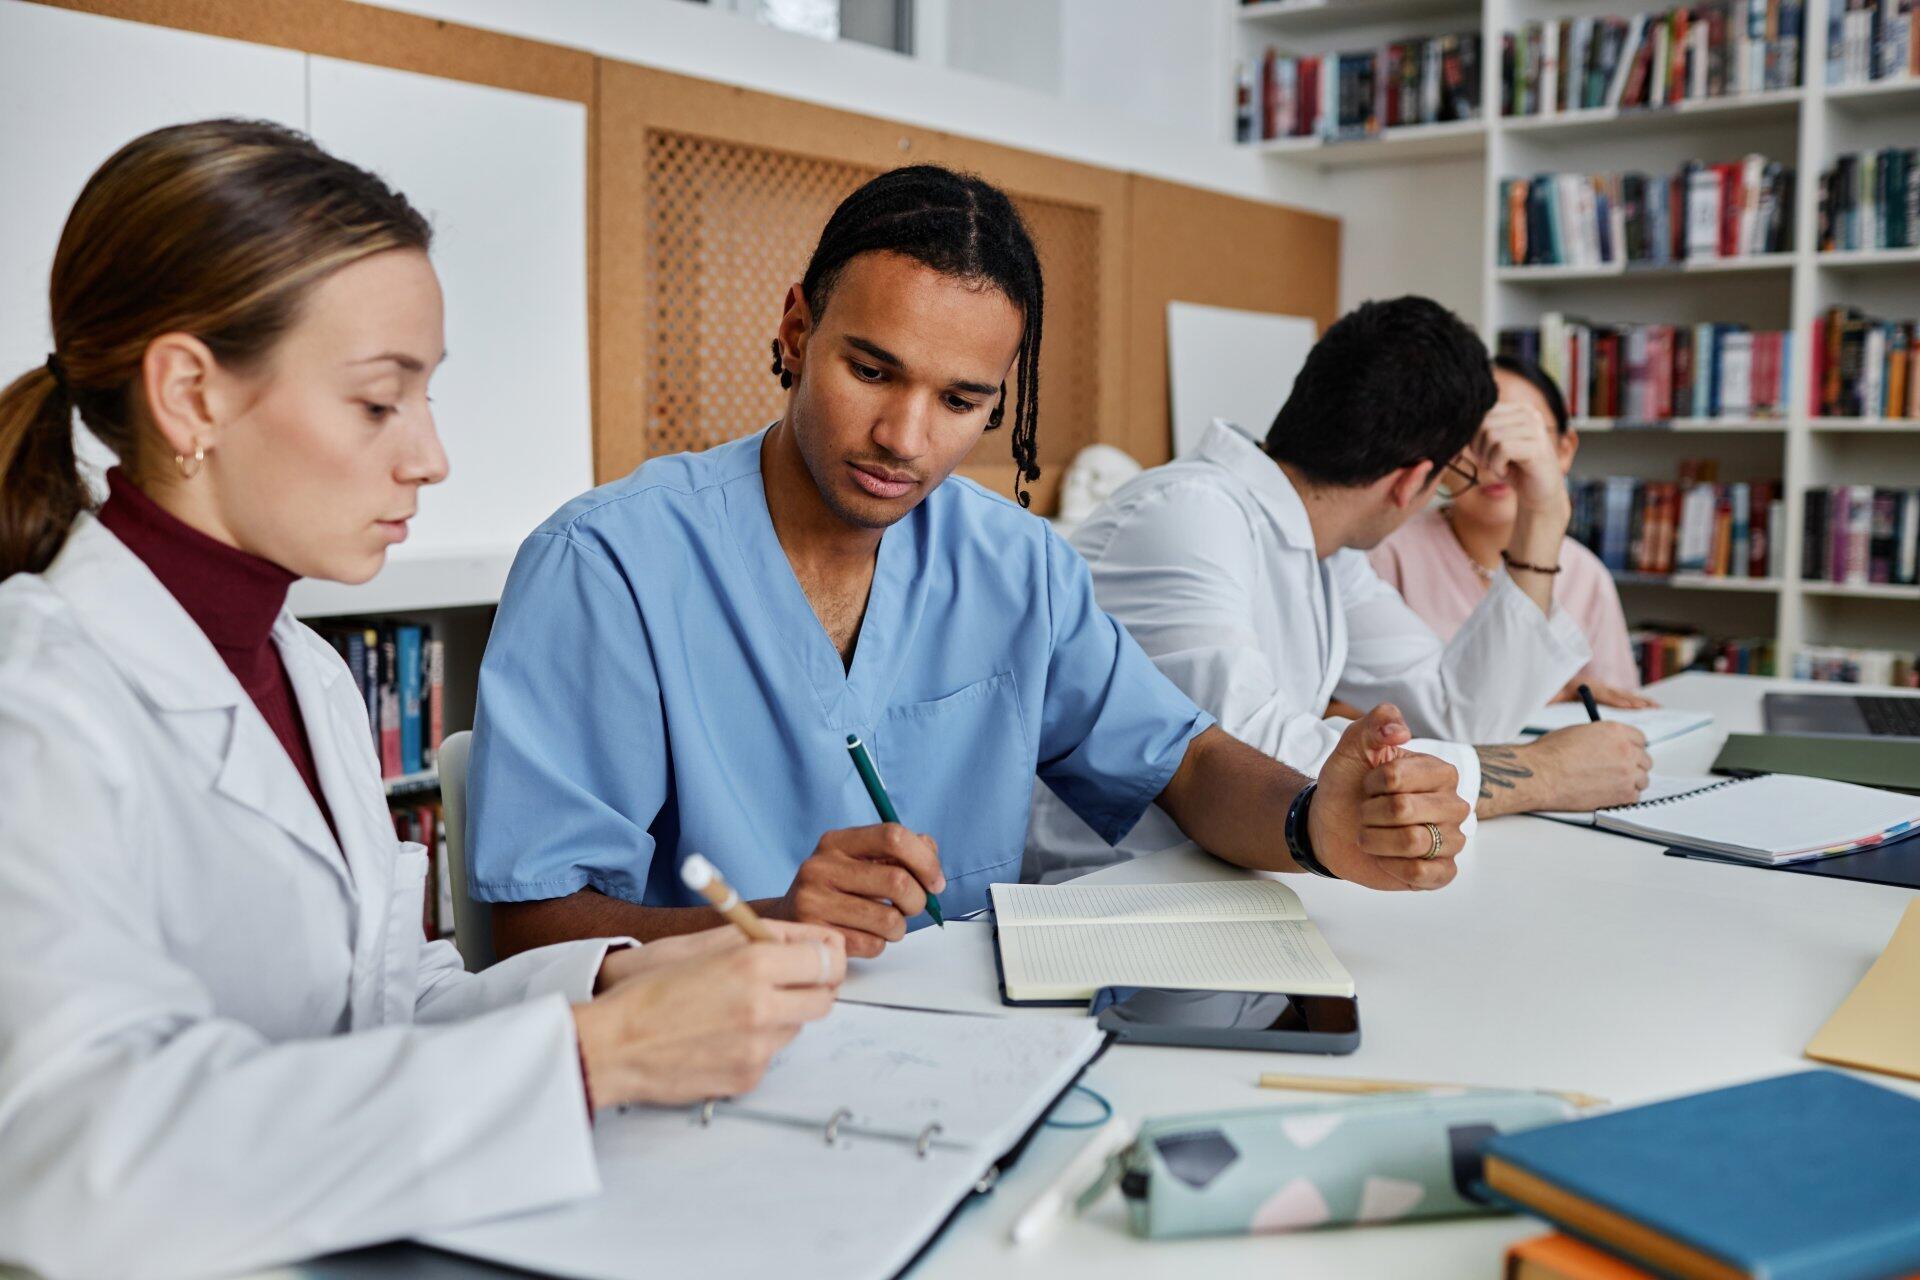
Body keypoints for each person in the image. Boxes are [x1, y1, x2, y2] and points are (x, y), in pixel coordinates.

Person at [0, 120, 846, 1280]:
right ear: (191, 393)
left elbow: (381, 1005)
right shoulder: (37, 705)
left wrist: (608, 980)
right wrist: (593, 1058)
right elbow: (79, 1162)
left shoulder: (304, 672)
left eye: (428, 398)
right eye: (378, 403)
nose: (432, 456)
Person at [468, 166, 1473, 963]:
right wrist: (773, 920)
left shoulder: (1017, 567)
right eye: (871, 370)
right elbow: (528, 929)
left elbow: (1184, 761)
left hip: (966, 1058)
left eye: (960, 400)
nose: (904, 435)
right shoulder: (608, 565)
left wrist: (1311, 821)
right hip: (704, 1061)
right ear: (794, 331)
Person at [1026, 297, 1652, 882]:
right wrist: (1542, 774)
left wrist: (1542, 517)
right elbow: (1255, 769)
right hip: (1108, 908)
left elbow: (1459, 712)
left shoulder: (1328, 549)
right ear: (1411, 484)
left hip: (1227, 897)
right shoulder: (1187, 514)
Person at [1370, 354, 1651, 708]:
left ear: (1564, 449)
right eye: (1473, 435)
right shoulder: (1385, 556)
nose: (1496, 458)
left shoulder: (1586, 574)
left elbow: (1618, 707)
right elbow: (1337, 709)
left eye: (1520, 431)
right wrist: (1555, 693)